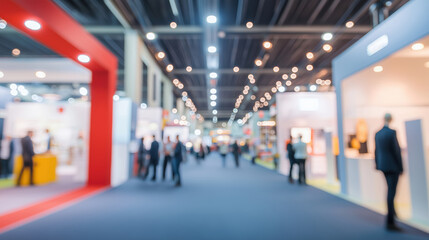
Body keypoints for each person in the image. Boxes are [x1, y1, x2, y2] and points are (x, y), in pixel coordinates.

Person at [375, 113, 403, 231]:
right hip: (392, 167)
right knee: (391, 193)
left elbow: (376, 151)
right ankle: (390, 222)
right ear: (391, 119)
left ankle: (393, 214)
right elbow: (396, 151)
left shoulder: (378, 133)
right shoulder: (391, 133)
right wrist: (401, 167)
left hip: (383, 166)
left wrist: (377, 164)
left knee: (390, 191)